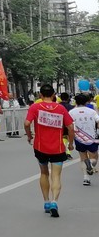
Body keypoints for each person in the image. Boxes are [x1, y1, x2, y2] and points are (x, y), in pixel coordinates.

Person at [25, 84, 74, 217]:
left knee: (44, 173)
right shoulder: (61, 108)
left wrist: (29, 136)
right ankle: (54, 202)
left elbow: (26, 123)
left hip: (40, 148)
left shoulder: (35, 107)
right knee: (56, 175)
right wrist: (70, 144)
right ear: (53, 95)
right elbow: (70, 127)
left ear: (40, 95)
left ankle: (46, 202)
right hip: (57, 148)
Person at [70, 93, 99, 185]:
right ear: (87, 101)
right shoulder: (92, 111)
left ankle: (86, 178)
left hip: (79, 138)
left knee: (82, 157)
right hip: (92, 137)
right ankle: (90, 164)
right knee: (94, 156)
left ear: (76, 101)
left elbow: (69, 126)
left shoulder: (71, 112)